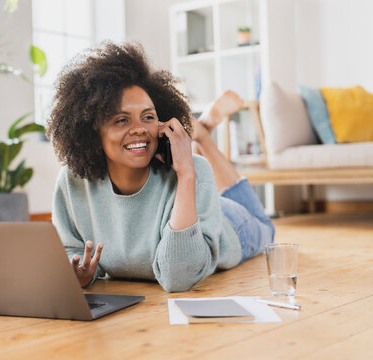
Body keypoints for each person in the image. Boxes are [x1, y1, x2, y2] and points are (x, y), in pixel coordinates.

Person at [47, 42, 274, 293]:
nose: (140, 129)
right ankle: (202, 128)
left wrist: (187, 173)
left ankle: (204, 138)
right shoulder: (72, 180)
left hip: (229, 224)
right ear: (92, 131)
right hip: (198, 201)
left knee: (267, 228)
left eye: (148, 117)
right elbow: (72, 250)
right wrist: (80, 273)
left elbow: (179, 277)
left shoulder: (193, 172)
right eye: (122, 120)